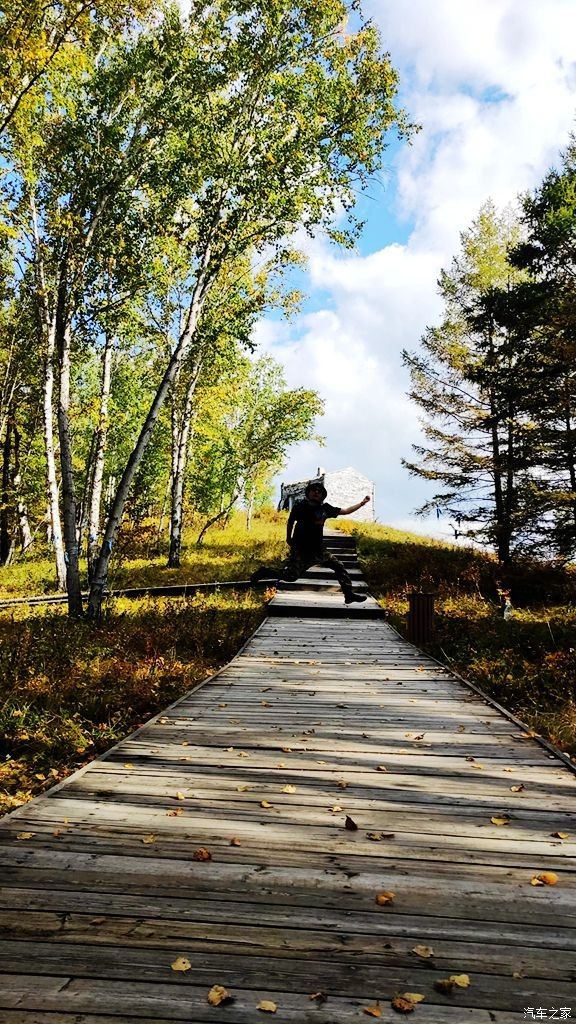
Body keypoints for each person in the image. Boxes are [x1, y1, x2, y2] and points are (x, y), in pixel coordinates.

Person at [251, 481, 371, 604]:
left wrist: (362, 504)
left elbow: (346, 511)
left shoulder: (326, 508)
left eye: (319, 491)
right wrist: (289, 538)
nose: (316, 492)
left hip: (319, 550)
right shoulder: (300, 506)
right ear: (308, 493)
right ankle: (264, 571)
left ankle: (348, 594)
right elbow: (291, 521)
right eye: (313, 490)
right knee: (290, 577)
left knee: (339, 566)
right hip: (301, 549)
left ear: (322, 496)